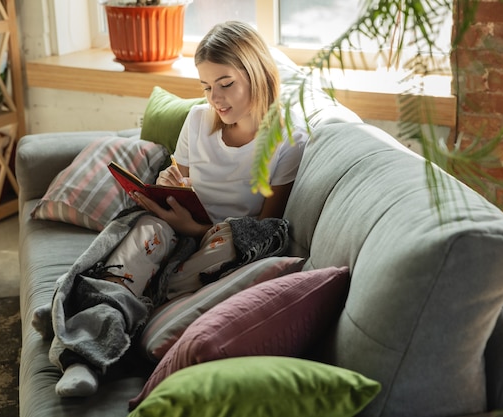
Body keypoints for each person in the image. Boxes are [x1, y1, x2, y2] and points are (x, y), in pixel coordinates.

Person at [47, 20, 309, 398]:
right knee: (144, 233)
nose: (215, 98)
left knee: (228, 242)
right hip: (174, 230)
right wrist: (168, 185)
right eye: (205, 86)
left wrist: (196, 230)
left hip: (219, 246)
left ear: (257, 74)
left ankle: (91, 309)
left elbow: (266, 228)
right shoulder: (198, 120)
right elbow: (179, 179)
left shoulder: (288, 140)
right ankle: (81, 354)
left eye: (225, 84)